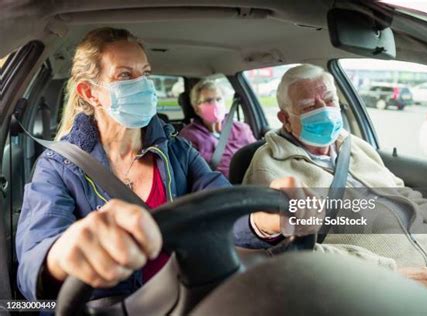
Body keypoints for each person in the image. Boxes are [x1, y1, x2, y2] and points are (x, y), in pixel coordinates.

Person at [15, 27, 272, 301]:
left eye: (146, 73)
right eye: (125, 75)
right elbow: (32, 263)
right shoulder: (59, 166)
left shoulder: (177, 151)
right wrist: (63, 255)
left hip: (183, 298)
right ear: (90, 92)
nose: (143, 85)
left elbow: (222, 207)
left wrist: (263, 222)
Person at [242, 64, 427, 293]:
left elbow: (405, 194)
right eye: (309, 106)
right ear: (285, 118)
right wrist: (385, 276)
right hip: (377, 290)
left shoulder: (354, 146)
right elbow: (286, 252)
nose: (324, 110)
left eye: (329, 101)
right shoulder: (269, 169)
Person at [179, 79, 256, 177]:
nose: (216, 105)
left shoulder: (241, 128)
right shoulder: (188, 136)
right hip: (218, 188)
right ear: (196, 108)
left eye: (219, 99)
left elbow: (258, 157)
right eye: (209, 100)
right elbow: (193, 173)